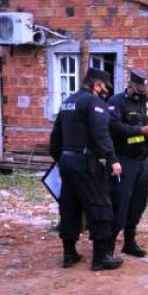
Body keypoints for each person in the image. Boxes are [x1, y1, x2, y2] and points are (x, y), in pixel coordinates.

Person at [49, 68, 124, 271]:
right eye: (105, 87)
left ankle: (69, 254)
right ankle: (101, 258)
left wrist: (62, 159)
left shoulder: (67, 102)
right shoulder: (94, 103)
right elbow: (101, 134)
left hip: (67, 162)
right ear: (97, 84)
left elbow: (55, 137)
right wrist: (112, 160)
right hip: (87, 163)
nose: (106, 92)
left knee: (70, 207)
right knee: (101, 206)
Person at [108, 68, 148, 258]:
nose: (142, 93)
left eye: (145, 89)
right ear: (130, 84)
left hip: (144, 160)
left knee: (139, 202)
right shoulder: (117, 102)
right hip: (125, 160)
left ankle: (129, 242)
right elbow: (113, 127)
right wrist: (141, 130)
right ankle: (107, 247)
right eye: (139, 89)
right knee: (121, 202)